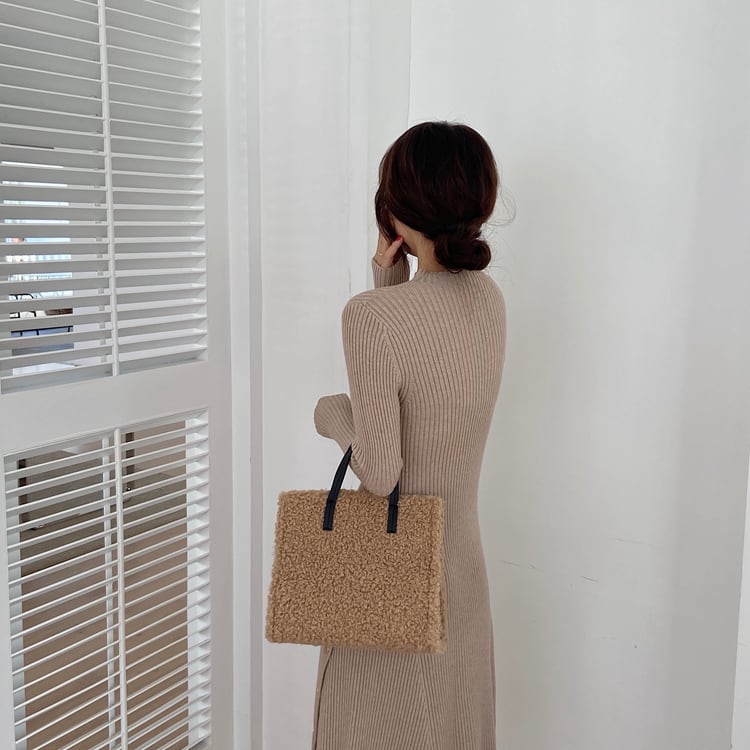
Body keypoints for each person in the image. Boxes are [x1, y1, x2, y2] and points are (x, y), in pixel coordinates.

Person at [312, 121, 508, 749]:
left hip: (390, 570)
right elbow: (433, 390)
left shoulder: (369, 317)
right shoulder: (488, 298)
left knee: (371, 727)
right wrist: (390, 282)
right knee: (448, 728)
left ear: (395, 207)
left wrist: (330, 413)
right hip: (460, 568)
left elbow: (381, 471)